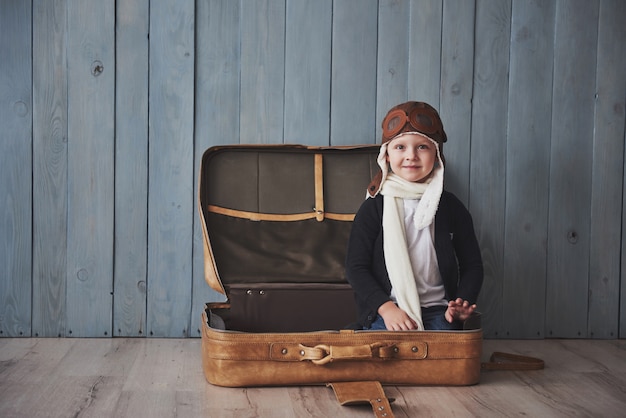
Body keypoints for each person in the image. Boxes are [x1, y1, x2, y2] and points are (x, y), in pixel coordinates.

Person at [345, 101, 483, 331]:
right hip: (388, 311)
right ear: (386, 155)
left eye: (422, 147)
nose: (411, 156)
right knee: (382, 359)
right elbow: (355, 267)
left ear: (437, 154)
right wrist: (386, 308)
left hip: (439, 310)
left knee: (444, 358)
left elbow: (472, 265)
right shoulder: (373, 209)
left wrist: (461, 303)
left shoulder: (450, 208)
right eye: (400, 147)